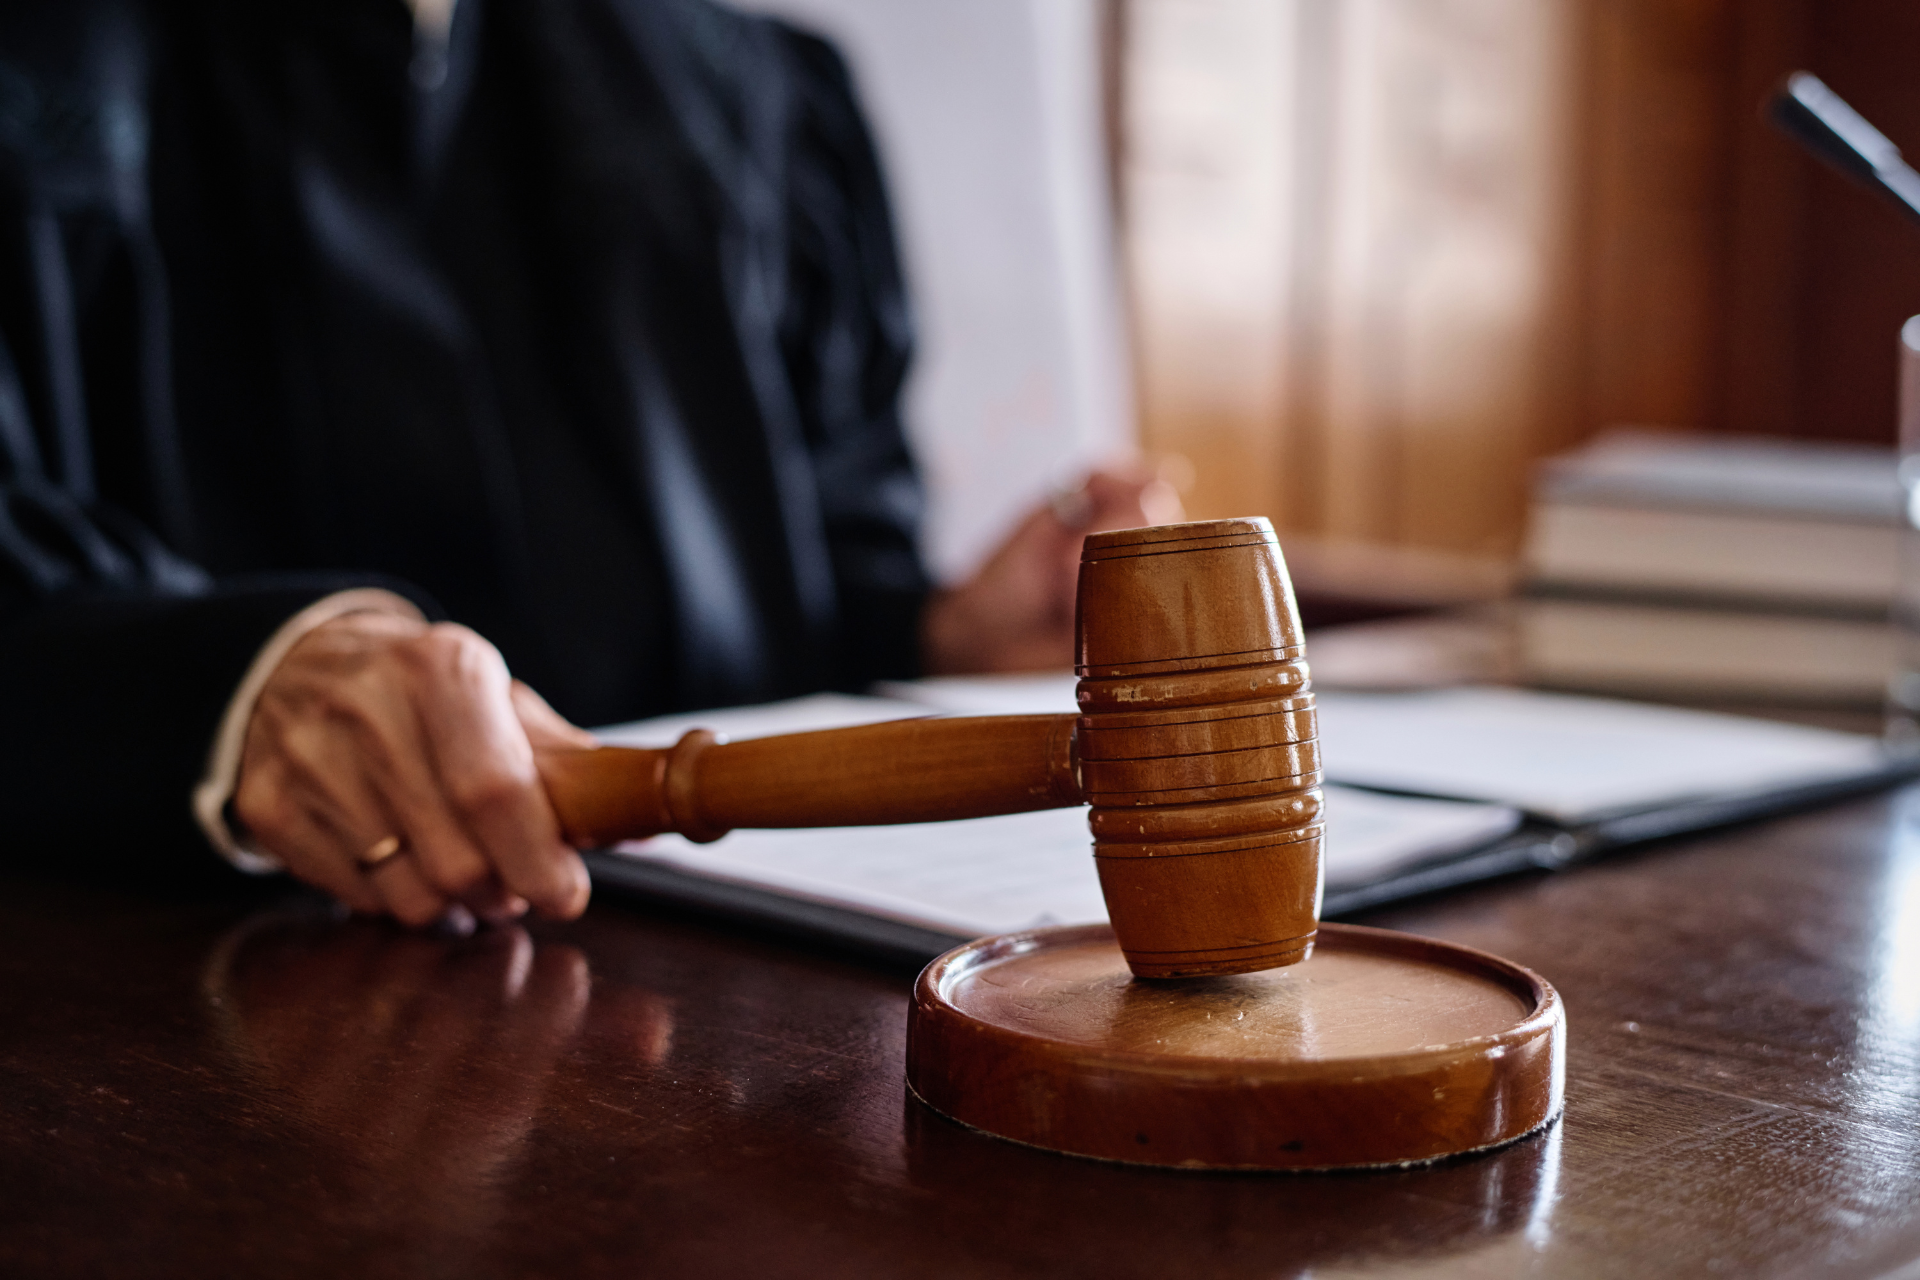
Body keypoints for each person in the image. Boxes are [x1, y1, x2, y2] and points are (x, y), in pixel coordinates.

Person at [0, 0, 1177, 925]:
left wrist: (945, 635)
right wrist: (237, 685)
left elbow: (812, 579)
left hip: (730, 1023)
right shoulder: (50, 71)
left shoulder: (751, 96)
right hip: (201, 1014)